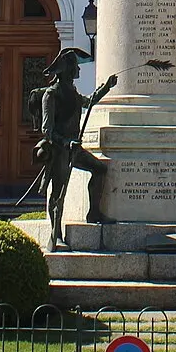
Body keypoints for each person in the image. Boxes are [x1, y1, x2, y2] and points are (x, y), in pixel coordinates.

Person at [32, 48, 116, 250]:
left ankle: (93, 213)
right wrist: (66, 143)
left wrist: (106, 87)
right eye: (75, 66)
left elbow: (89, 102)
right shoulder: (51, 95)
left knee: (100, 169)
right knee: (58, 194)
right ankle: (56, 236)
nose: (78, 69)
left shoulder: (73, 92)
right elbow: (47, 130)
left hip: (74, 149)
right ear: (68, 70)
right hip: (60, 150)